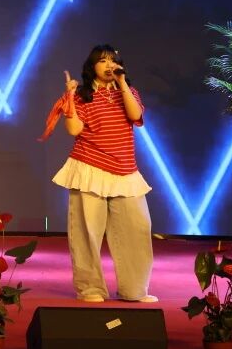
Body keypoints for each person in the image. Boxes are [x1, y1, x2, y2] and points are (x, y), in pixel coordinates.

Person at [39, 44, 157, 303]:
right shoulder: (82, 96)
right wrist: (69, 99)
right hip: (90, 166)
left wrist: (122, 82)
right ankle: (90, 288)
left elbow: (135, 115)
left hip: (125, 170)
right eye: (102, 61)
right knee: (87, 233)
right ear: (92, 66)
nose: (108, 65)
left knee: (137, 229)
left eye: (112, 60)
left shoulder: (128, 92)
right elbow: (74, 130)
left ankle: (134, 290)